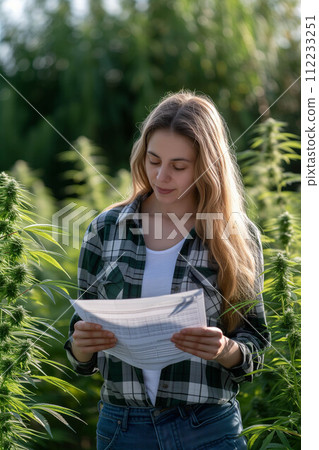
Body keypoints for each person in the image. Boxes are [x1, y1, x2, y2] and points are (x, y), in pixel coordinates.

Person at [64, 90, 270, 449]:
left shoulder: (236, 236)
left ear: (207, 166)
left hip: (207, 427)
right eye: (153, 160)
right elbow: (80, 351)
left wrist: (225, 350)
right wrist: (82, 347)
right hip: (123, 428)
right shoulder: (106, 228)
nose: (161, 176)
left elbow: (255, 344)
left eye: (178, 166)